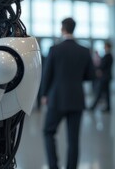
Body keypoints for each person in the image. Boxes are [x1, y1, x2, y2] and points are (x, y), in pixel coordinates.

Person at [41, 17, 95, 169]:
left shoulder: (55, 49)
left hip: (57, 98)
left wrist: (44, 94)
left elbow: (47, 74)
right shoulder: (84, 50)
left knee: (48, 132)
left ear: (62, 29)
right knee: (73, 139)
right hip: (77, 98)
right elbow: (91, 75)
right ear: (74, 29)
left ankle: (54, 166)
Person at [89, 41, 112, 112]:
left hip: (105, 77)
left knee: (99, 92)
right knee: (106, 93)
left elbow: (102, 66)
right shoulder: (108, 56)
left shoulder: (108, 56)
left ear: (107, 47)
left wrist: (96, 68)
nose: (104, 48)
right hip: (106, 77)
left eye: (105, 46)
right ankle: (107, 107)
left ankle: (93, 107)